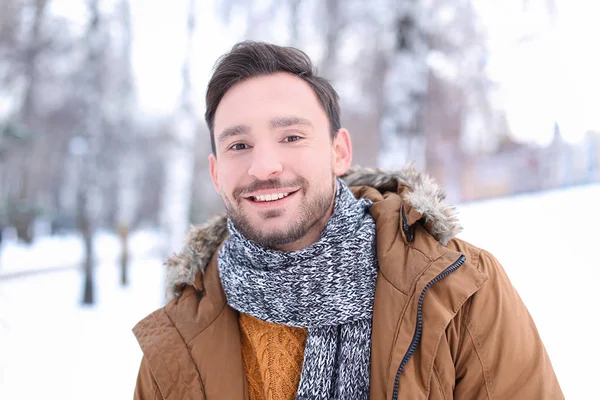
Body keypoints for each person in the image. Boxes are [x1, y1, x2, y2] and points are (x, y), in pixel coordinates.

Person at [133, 41, 564, 400]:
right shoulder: (177, 339)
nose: (264, 166)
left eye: (291, 137)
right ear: (215, 173)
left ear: (339, 151)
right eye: (239, 145)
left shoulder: (458, 291)